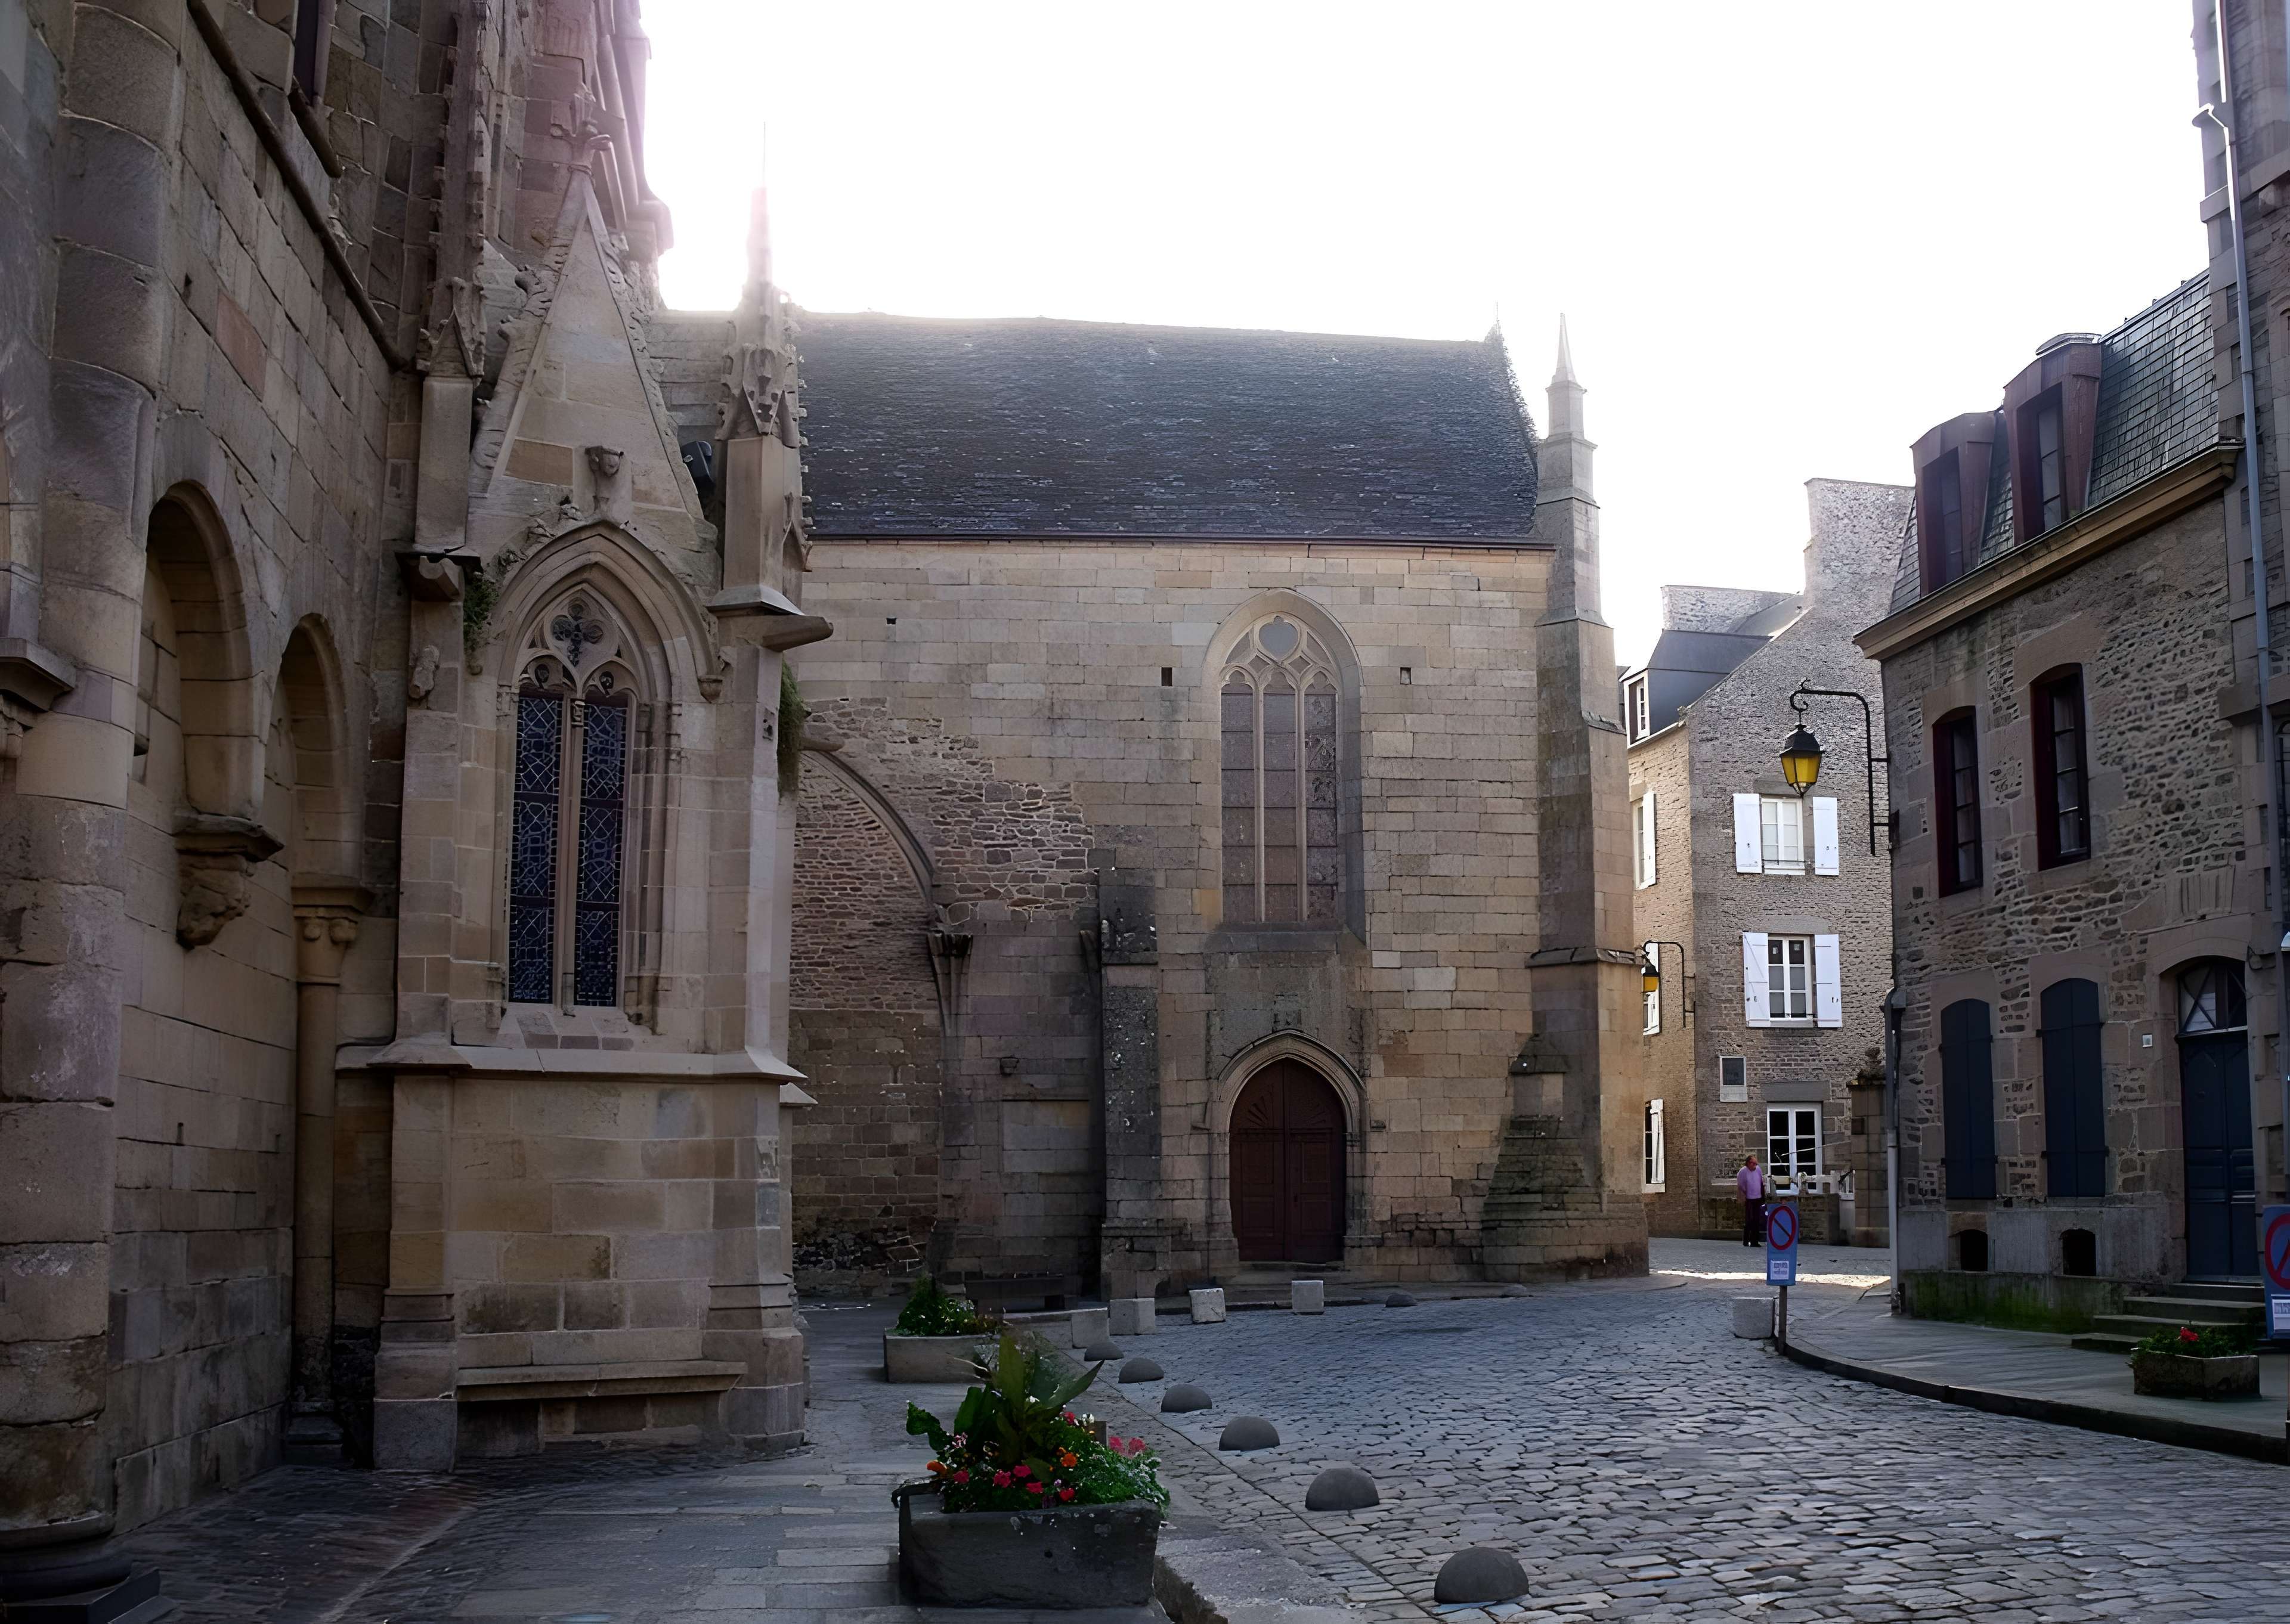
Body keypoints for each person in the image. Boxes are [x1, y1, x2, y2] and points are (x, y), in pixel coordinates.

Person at [1738, 1154, 1765, 1247]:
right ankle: (1746, 1241)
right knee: (1749, 1220)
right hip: (1749, 1199)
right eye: (1754, 1164)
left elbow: (1761, 1182)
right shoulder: (1743, 1172)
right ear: (1749, 1163)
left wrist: (1762, 1196)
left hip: (1758, 1198)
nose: (1755, 1165)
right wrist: (1746, 1193)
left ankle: (1755, 1241)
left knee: (1757, 1220)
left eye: (1756, 1163)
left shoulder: (1758, 1169)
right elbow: (1741, 1185)